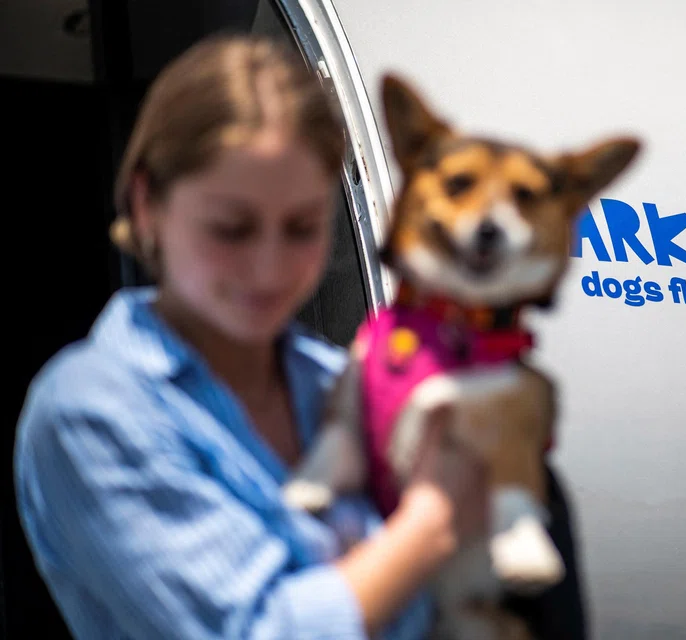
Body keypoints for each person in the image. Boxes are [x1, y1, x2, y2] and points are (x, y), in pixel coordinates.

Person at [13, 34, 586, 640]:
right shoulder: (92, 412)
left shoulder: (335, 380)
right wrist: (430, 521)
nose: (269, 268)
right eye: (231, 229)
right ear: (147, 202)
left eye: (303, 228)